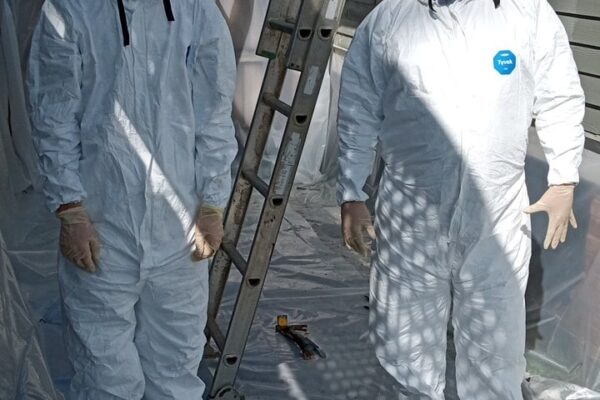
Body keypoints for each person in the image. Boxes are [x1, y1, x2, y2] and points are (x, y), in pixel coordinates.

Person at [337, 0, 585, 398]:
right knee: (406, 349)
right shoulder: (391, 18)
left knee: (495, 349)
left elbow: (559, 95)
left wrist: (564, 179)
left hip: (497, 220)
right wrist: (351, 191)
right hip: (411, 216)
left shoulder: (527, 13)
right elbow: (358, 105)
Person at [27, 0, 237, 398]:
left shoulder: (196, 11)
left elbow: (213, 113)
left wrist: (212, 202)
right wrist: (70, 207)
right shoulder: (71, 9)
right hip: (103, 226)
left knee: (174, 370)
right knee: (105, 375)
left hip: (180, 230)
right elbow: (54, 112)